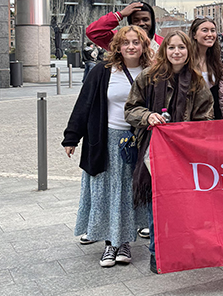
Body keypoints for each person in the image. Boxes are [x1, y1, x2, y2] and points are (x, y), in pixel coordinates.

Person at [124, 30, 215, 274]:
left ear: (189, 51)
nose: (177, 52)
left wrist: (188, 132)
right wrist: (147, 116)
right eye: (172, 47)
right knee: (158, 204)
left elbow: (206, 118)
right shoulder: (148, 77)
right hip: (152, 152)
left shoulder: (197, 83)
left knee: (184, 203)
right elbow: (131, 109)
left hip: (184, 155)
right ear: (165, 51)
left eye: (182, 48)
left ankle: (184, 249)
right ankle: (157, 253)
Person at [61, 26, 152, 267]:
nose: (131, 46)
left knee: (129, 193)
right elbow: (85, 103)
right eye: (125, 42)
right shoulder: (103, 71)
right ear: (117, 47)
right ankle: (111, 243)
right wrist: (72, 137)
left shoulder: (152, 72)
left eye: (136, 42)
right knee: (107, 193)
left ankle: (125, 241)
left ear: (144, 46)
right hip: (105, 140)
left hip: (137, 142)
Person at [87, 1, 163, 54]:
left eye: (145, 20)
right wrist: (120, 15)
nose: (141, 23)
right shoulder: (118, 40)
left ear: (152, 21)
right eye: (136, 20)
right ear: (130, 23)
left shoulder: (163, 44)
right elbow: (92, 32)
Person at [189, 17, 223, 119]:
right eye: (205, 30)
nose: (210, 34)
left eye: (213, 31)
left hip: (212, 118)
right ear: (194, 35)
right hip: (192, 118)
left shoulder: (216, 61)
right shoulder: (186, 61)